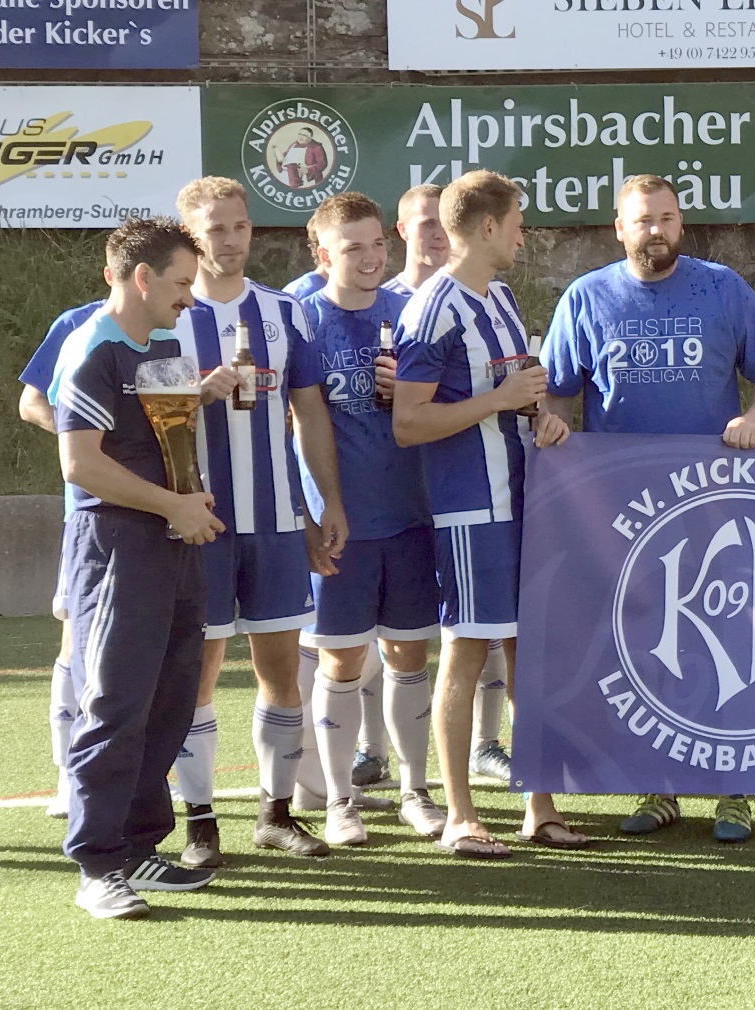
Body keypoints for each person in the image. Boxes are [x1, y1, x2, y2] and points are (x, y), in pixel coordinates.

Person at [539, 174, 755, 844]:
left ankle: (736, 790)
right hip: (621, 506)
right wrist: (553, 432)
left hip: (713, 499)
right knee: (645, 640)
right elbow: (556, 392)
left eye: (667, 217)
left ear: (682, 222)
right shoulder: (587, 297)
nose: (656, 230)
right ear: (619, 228)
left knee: (726, 635)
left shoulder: (723, 288)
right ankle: (660, 783)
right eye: (642, 220)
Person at [393, 169, 588, 858]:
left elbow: (512, 394)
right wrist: (500, 401)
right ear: (485, 228)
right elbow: (408, 423)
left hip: (521, 498)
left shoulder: (500, 297)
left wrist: (540, 417)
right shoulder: (431, 308)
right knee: (466, 652)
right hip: (470, 509)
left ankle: (540, 807)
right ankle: (460, 816)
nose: (522, 235)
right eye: (517, 223)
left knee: (529, 655)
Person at [53, 216, 232, 917]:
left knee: (170, 697)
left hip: (173, 539)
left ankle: (138, 848)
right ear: (141, 277)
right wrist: (170, 505)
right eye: (183, 284)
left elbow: (172, 443)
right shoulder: (93, 348)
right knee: (117, 701)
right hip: (115, 544)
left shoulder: (164, 343)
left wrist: (190, 502)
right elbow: (81, 463)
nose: (191, 298)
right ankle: (97, 865)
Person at [170, 177, 347, 865]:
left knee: (280, 669)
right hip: (200, 524)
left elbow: (309, 417)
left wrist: (323, 504)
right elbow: (142, 417)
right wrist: (195, 392)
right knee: (199, 673)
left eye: (240, 226)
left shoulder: (284, 312)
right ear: (191, 236)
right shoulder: (169, 316)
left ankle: (275, 814)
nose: (232, 240)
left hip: (274, 519)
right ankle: (201, 821)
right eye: (216, 229)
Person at [295, 191, 448, 844]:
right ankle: (338, 803)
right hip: (343, 526)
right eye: (352, 247)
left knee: (410, 654)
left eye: (377, 245)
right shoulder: (301, 321)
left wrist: (410, 396)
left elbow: (445, 406)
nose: (369, 257)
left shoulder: (411, 313)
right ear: (324, 254)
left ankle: (414, 790)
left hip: (411, 516)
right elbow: (297, 422)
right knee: (341, 663)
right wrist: (314, 509)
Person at [17, 298, 103, 819]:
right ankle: (68, 774)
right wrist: (87, 441)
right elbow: (31, 403)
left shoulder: (183, 316)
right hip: (92, 513)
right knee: (77, 639)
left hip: (168, 507)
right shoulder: (76, 322)